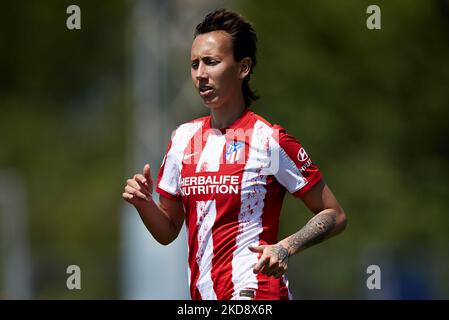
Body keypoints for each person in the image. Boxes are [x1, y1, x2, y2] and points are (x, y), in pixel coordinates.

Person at [123, 8, 347, 300]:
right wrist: (143, 204)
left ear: (243, 68)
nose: (201, 74)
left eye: (212, 62)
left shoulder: (268, 140)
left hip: (256, 292)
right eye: (194, 65)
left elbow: (334, 214)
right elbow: (168, 231)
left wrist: (286, 247)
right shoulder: (182, 139)